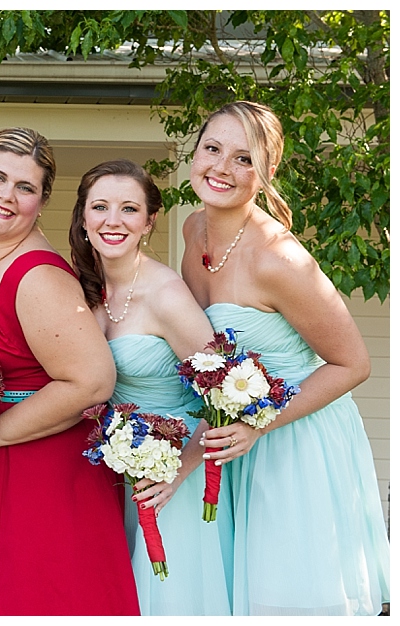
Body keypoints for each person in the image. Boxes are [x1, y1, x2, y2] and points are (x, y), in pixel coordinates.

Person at [181, 101, 390, 616]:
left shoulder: (281, 259)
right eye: (212, 149)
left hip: (294, 438)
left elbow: (352, 363)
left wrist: (259, 424)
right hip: (229, 439)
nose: (221, 168)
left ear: (267, 172)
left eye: (243, 159)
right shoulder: (192, 230)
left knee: (284, 598)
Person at [0, 128, 139, 616]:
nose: (6, 196)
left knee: (43, 594)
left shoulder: (39, 276)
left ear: (42, 200)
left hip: (43, 466)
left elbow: (93, 382)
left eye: (25, 187)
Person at [69, 159, 232, 615]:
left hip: (174, 477)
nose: (113, 221)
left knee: (169, 601)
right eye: (100, 207)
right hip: (115, 474)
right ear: (83, 217)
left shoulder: (165, 294)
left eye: (128, 209)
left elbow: (229, 397)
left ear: (149, 221)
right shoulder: (86, 289)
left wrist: (180, 468)